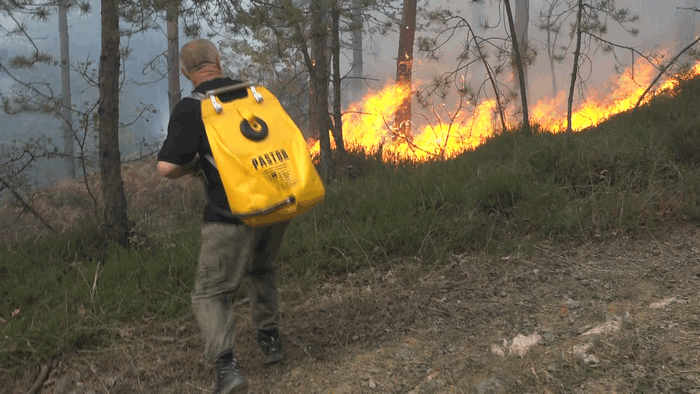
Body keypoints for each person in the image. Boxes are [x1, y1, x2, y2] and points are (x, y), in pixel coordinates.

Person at [157, 38, 288, 394]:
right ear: (218, 60)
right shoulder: (257, 94)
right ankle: (270, 339)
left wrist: (195, 167)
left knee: (210, 293)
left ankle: (227, 369)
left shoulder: (193, 108)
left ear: (186, 73)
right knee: (261, 268)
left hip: (229, 217)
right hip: (277, 205)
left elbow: (167, 167)